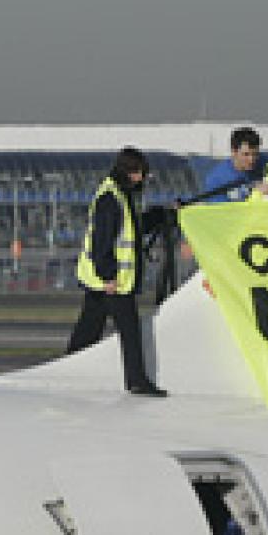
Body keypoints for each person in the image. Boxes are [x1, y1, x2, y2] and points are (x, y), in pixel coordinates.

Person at [67, 147, 169, 397]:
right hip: (111, 282)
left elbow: (135, 228)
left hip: (105, 281)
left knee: (88, 329)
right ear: (129, 172)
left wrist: (162, 214)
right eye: (140, 174)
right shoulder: (110, 199)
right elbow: (102, 242)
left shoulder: (122, 196)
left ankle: (67, 370)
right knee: (129, 330)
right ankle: (136, 381)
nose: (142, 179)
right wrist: (108, 276)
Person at [199, 127, 268, 203]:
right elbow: (222, 215)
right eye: (246, 154)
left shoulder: (260, 160)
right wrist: (254, 191)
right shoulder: (217, 180)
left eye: (255, 154)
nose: (251, 159)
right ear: (233, 152)